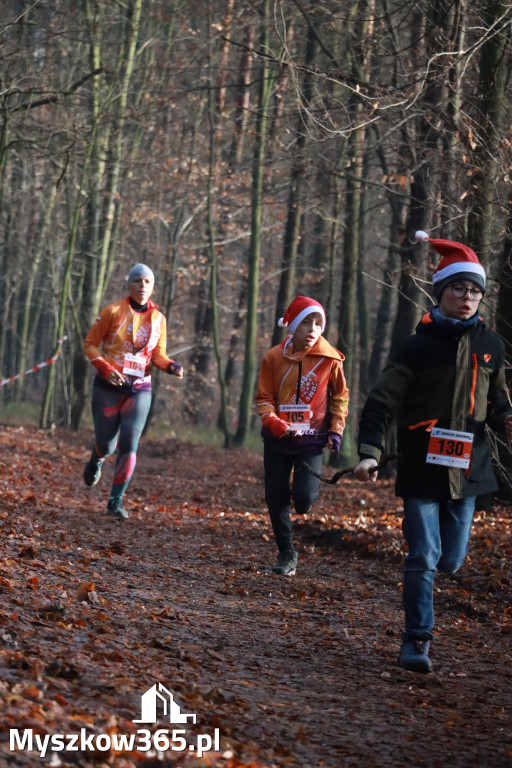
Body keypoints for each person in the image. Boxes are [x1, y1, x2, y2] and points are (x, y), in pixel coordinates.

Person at [354, 231, 512, 673]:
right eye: (459, 289)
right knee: (423, 554)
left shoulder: (491, 347)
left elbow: (498, 402)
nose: (467, 297)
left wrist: (506, 420)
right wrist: (369, 451)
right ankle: (416, 641)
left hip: (469, 467)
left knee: (452, 560)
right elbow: (381, 402)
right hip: (422, 463)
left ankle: (423, 617)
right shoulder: (416, 347)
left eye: (475, 291)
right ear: (441, 291)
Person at [255, 296, 349, 576]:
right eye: (306, 322)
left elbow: (340, 397)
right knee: (275, 497)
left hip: (311, 440)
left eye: (318, 323)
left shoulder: (330, 359)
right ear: (293, 326)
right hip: (277, 439)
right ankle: (287, 553)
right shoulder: (273, 357)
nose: (312, 328)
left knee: (304, 499)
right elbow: (264, 398)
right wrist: (273, 422)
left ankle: (305, 499)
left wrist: (336, 429)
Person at [83, 263, 183, 520]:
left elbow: (158, 355)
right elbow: (90, 344)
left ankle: (115, 501)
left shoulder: (159, 319)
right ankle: (97, 457)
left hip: (139, 388)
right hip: (108, 387)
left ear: (152, 287)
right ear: (129, 285)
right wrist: (105, 369)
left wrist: (170, 366)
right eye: (137, 281)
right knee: (107, 445)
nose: (142, 286)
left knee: (129, 442)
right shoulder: (112, 312)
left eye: (147, 282)